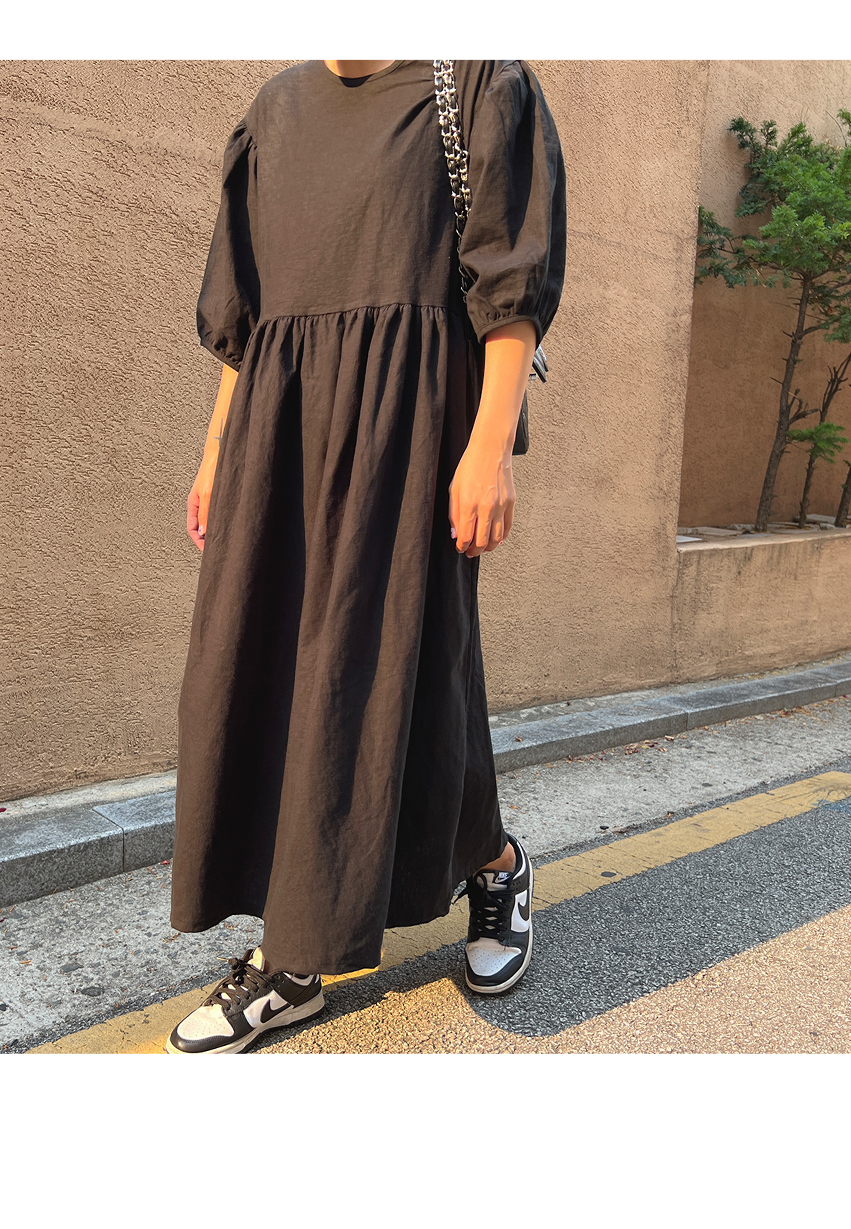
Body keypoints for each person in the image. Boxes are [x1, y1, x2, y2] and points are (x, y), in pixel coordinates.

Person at [166, 59, 566, 1054]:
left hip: (410, 432)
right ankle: (295, 958)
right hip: (279, 433)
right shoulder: (275, 114)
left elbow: (509, 285)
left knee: (403, 678)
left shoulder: (473, 79)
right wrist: (216, 452)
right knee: (262, 679)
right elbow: (248, 317)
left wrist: (488, 447)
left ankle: (494, 866)